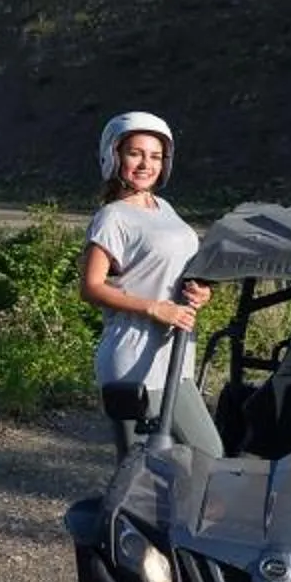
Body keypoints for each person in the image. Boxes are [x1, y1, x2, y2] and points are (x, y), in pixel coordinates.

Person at [79, 111, 223, 460]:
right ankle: (129, 518)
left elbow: (174, 269)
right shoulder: (113, 217)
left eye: (155, 156)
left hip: (176, 356)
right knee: (138, 469)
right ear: (114, 156)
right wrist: (154, 307)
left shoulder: (165, 208)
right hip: (132, 359)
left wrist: (201, 292)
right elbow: (91, 287)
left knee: (208, 455)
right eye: (136, 153)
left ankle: (177, 516)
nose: (146, 164)